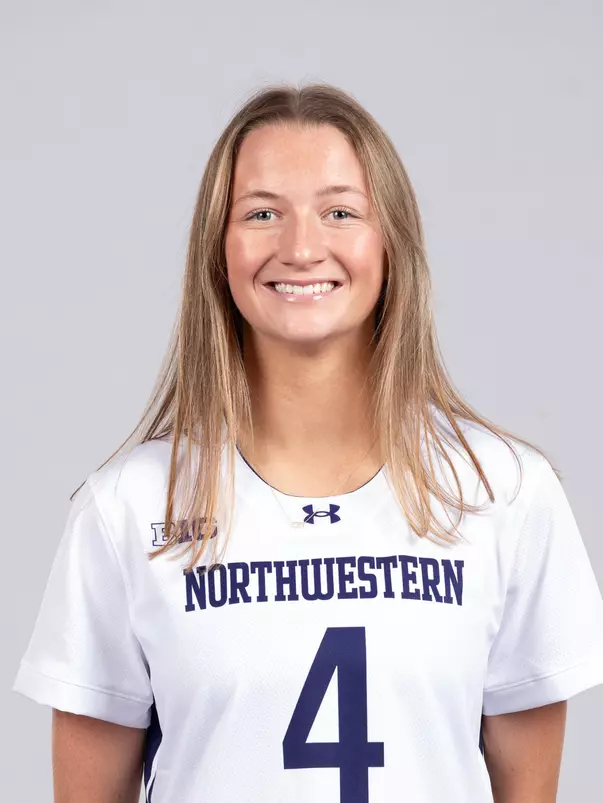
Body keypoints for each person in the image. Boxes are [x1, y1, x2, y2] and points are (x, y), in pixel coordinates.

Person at [12, 82, 603, 803]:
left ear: (389, 241)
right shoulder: (128, 508)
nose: (299, 247)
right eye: (261, 213)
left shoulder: (502, 491)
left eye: (339, 212)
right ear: (216, 249)